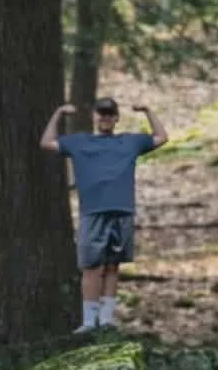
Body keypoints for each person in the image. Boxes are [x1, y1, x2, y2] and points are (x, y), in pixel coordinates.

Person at [40, 96, 168, 332]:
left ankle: (106, 319)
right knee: (90, 266)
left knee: (112, 266)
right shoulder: (80, 142)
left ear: (116, 118)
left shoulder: (129, 142)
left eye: (110, 114)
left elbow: (161, 137)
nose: (105, 118)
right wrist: (58, 113)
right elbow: (47, 142)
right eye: (102, 113)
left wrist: (148, 109)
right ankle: (89, 322)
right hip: (93, 211)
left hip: (122, 210)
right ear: (94, 117)